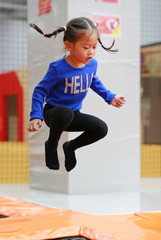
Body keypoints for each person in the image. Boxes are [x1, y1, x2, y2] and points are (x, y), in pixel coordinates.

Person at [27, 17, 126, 172]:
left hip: (74, 114)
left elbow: (93, 81)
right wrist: (35, 116)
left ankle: (70, 147)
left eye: (94, 47)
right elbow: (40, 91)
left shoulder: (92, 64)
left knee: (101, 128)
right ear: (69, 46)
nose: (91, 52)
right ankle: (51, 146)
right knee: (64, 113)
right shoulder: (58, 68)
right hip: (54, 114)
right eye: (86, 47)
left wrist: (110, 97)